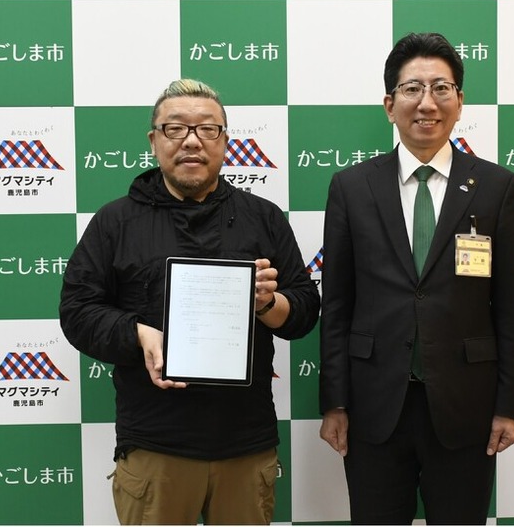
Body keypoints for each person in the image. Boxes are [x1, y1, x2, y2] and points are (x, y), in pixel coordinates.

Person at [60, 79, 320, 525]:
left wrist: (267, 303)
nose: (192, 141)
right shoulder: (115, 221)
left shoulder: (262, 217)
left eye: (207, 129)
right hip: (155, 444)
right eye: (176, 128)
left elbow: (304, 310)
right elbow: (77, 311)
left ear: (225, 140)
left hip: (245, 442)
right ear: (154, 140)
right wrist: (139, 334)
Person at [319, 32, 514, 525]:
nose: (427, 103)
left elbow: (511, 307)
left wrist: (509, 406)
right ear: (389, 104)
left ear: (460, 101)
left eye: (441, 88)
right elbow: (338, 305)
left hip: (465, 406)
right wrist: (335, 402)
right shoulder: (351, 187)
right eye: (412, 88)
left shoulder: (496, 187)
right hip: (374, 406)